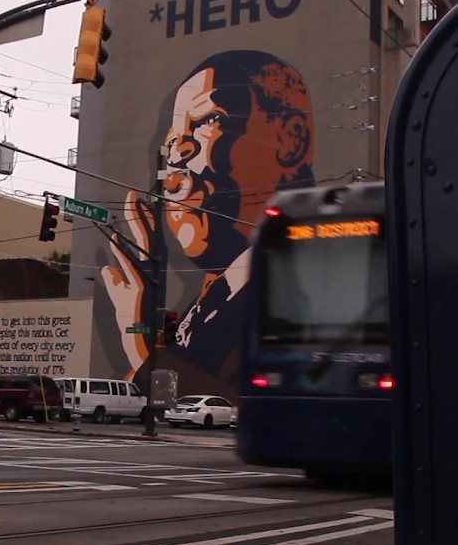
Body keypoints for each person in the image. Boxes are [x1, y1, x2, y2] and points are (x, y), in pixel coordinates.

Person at [101, 50, 315, 389]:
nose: (176, 154)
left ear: (291, 140)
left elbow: (225, 395)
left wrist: (139, 339)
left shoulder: (306, 290)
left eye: (206, 122)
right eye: (171, 140)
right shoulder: (209, 302)